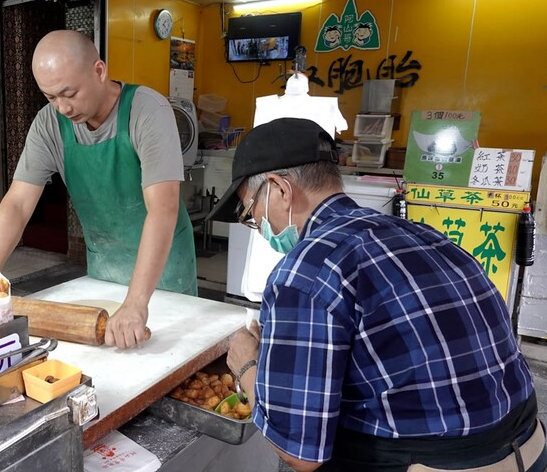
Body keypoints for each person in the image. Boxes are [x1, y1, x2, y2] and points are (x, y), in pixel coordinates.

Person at [205, 118, 545, 471]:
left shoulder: (306, 271)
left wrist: (246, 364)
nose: (259, 226)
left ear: (279, 189)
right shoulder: (425, 235)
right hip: (529, 448)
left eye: (250, 212)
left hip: (437, 465)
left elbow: (299, 451)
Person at [0, 30, 197, 349]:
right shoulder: (48, 124)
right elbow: (18, 203)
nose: (63, 108)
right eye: (51, 97)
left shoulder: (148, 111)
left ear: (99, 70)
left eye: (70, 93)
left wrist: (136, 302)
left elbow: (162, 209)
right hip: (104, 269)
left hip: (163, 273)